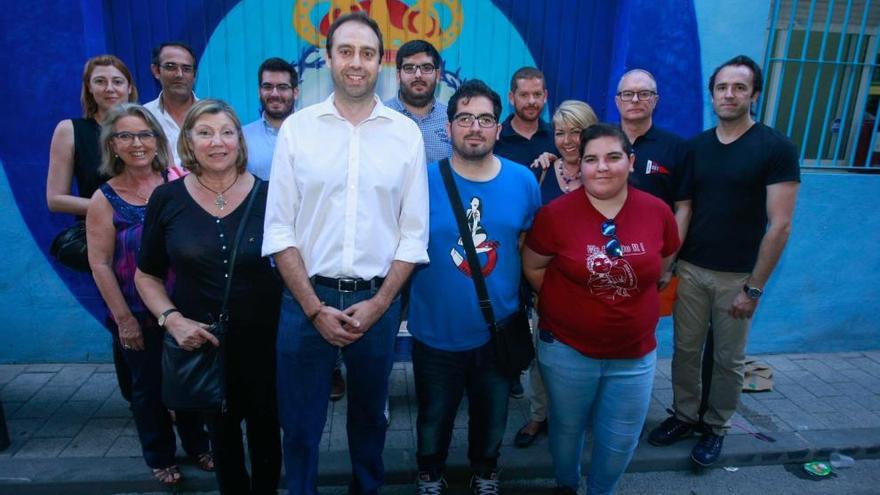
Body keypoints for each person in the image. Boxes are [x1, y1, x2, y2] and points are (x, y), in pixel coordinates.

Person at [262, 12, 428, 495]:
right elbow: (279, 232)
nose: (357, 63)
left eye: (368, 53)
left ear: (382, 64)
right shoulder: (298, 130)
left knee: (370, 422)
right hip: (304, 300)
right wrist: (314, 309)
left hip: (377, 302)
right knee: (299, 425)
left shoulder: (405, 135)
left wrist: (380, 306)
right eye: (347, 51)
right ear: (329, 58)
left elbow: (412, 236)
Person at [648, 55, 800, 467]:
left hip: (739, 277)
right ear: (712, 94)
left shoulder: (775, 148)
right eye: (722, 87)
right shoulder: (696, 148)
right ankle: (684, 415)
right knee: (685, 350)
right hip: (693, 271)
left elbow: (780, 226)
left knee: (728, 360)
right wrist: (670, 264)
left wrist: (754, 288)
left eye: (739, 87)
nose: (729, 94)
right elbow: (686, 209)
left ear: (754, 94)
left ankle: (715, 427)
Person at [523, 124, 680, 495]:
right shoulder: (556, 215)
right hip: (566, 350)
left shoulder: (657, 212)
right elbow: (532, 265)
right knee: (566, 426)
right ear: (582, 164)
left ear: (631, 161)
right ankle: (565, 485)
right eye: (591, 159)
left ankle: (601, 490)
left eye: (613, 157)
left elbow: (666, 262)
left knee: (621, 438)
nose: (602, 167)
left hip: (634, 353)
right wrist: (574, 301)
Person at [135, 99, 282, 494]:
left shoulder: (273, 196)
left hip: (266, 342)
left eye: (226, 132)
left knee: (268, 434)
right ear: (188, 141)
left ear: (240, 140)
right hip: (204, 346)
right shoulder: (167, 200)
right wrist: (173, 320)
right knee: (223, 438)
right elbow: (146, 274)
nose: (217, 142)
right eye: (205, 132)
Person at [407, 79, 540, 495]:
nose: (475, 127)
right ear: (448, 128)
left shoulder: (523, 182)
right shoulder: (420, 182)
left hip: (496, 331)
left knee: (493, 416)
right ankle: (430, 474)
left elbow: (526, 248)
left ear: (499, 129)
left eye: (485, 118)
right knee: (432, 419)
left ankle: (486, 473)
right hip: (434, 333)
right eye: (464, 118)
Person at [86, 103, 209, 486]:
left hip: (184, 307)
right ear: (112, 145)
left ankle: (198, 444)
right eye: (125, 135)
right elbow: (101, 264)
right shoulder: (104, 198)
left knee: (189, 381)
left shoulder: (180, 181)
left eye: (144, 134)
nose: (137, 143)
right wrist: (124, 319)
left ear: (157, 139)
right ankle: (159, 454)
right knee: (149, 388)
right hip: (137, 310)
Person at [46, 54, 139, 402]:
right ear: (89, 88)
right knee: (123, 317)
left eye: (117, 81)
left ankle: (168, 400)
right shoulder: (70, 130)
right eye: (100, 81)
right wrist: (111, 208)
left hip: (145, 238)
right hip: (106, 242)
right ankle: (138, 400)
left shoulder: (141, 125)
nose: (110, 88)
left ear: (129, 85)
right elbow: (55, 198)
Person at [515, 100, 598, 449]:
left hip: (590, 285)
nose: (567, 140)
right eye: (561, 132)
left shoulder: (601, 173)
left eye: (576, 131)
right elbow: (525, 229)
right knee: (543, 353)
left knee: (587, 353)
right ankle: (539, 414)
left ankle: (579, 417)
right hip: (544, 283)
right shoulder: (543, 171)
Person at [614, 68, 692, 291]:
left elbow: (684, 209)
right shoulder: (601, 139)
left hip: (653, 260)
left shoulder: (676, 148)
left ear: (655, 100)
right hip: (601, 255)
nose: (636, 99)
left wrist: (668, 264)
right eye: (628, 94)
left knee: (642, 325)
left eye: (644, 94)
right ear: (617, 101)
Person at [385, 39, 452, 163]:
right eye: (409, 68)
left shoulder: (451, 119)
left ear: (437, 75)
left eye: (426, 68)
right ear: (398, 76)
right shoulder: (381, 116)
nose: (418, 75)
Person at [493, 67, 556, 178]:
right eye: (524, 95)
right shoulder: (495, 139)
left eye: (537, 94)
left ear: (545, 96)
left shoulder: (556, 137)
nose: (531, 101)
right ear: (512, 98)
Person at [242, 57, 298, 180]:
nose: (274, 94)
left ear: (295, 92)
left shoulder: (313, 132)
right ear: (259, 91)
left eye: (282, 87)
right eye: (267, 87)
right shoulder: (242, 137)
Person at [144, 41, 199, 166]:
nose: (179, 74)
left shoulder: (211, 115)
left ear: (194, 75)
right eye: (170, 67)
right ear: (156, 71)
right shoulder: (144, 117)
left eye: (186, 69)